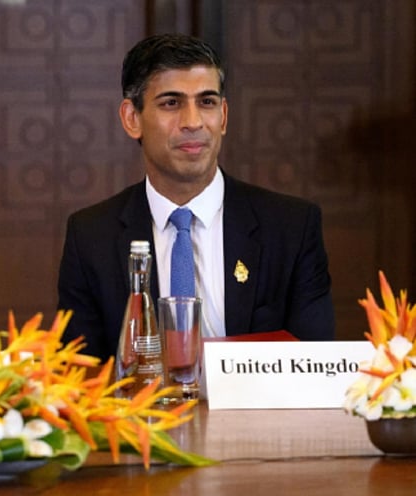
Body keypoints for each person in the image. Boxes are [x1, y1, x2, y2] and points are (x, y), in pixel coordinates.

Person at [57, 33, 334, 360]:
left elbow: (315, 366)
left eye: (207, 102)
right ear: (132, 119)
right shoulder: (90, 236)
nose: (193, 122)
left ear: (224, 116)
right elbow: (81, 374)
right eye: (171, 103)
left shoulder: (291, 228)